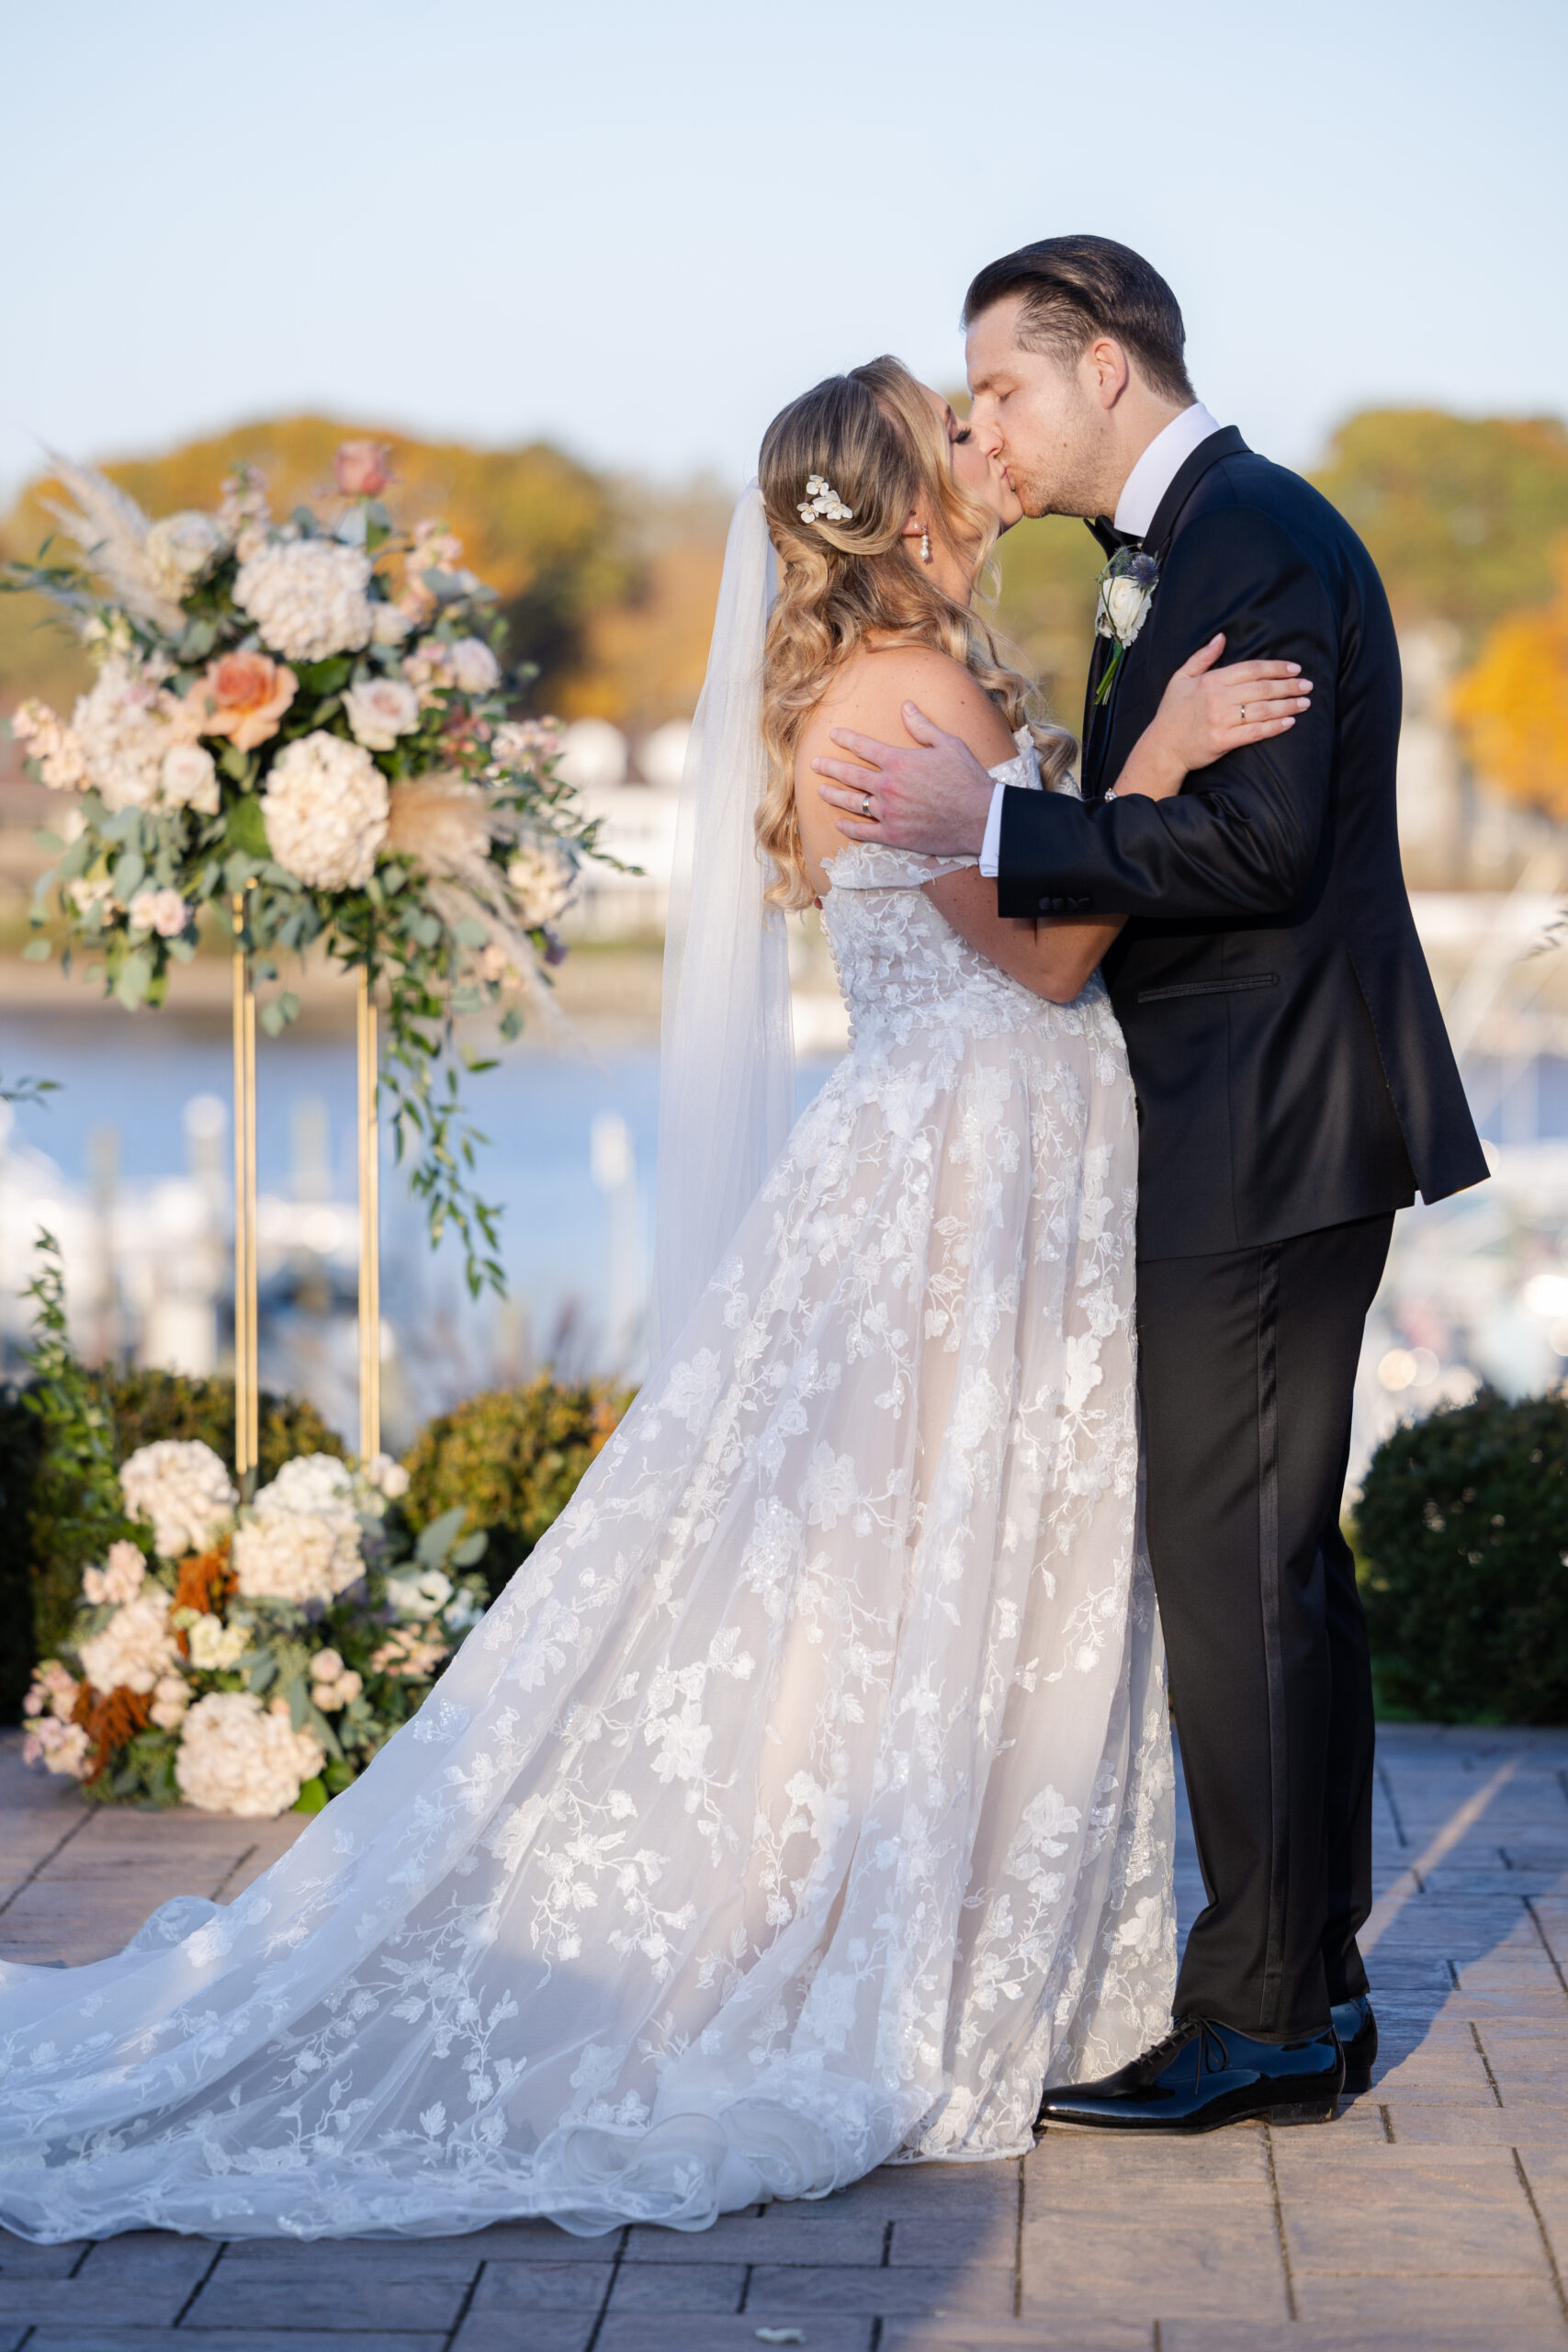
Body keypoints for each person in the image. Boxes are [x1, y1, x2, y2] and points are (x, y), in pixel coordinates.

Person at [0, 356, 1306, 2243]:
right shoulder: (906, 691)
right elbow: (1037, 965)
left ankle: (913, 1913)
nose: (978, 440)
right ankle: (880, 1945)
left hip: (946, 1154)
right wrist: (1159, 765)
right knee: (932, 1557)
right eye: (949, 428)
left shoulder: (868, 680)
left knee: (894, 1561)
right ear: (901, 500)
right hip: (970, 1163)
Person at [814, 240, 1488, 2134]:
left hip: (1263, 1122)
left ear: (1102, 366)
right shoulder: (1188, 546)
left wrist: (1002, 823)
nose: (980, 432)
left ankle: (1259, 2010)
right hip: (1250, 1117)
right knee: (1278, 1565)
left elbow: (1259, 845)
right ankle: (1316, 1983)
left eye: (1002, 392)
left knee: (1235, 1568)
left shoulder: (1248, 536)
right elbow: (1188, 815)